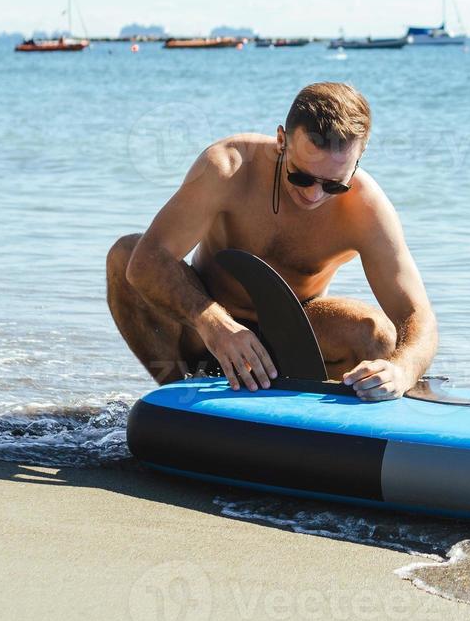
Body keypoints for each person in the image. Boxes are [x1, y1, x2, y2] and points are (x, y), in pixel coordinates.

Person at [106, 82, 436, 401]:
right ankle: (178, 398)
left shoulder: (367, 208)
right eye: (301, 176)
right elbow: (148, 261)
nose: (313, 194)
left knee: (376, 334)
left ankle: (314, 418)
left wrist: (402, 371)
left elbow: (417, 315)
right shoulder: (228, 167)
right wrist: (215, 325)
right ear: (281, 141)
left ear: (358, 159)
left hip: (292, 341)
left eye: (333, 184)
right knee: (125, 255)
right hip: (201, 331)